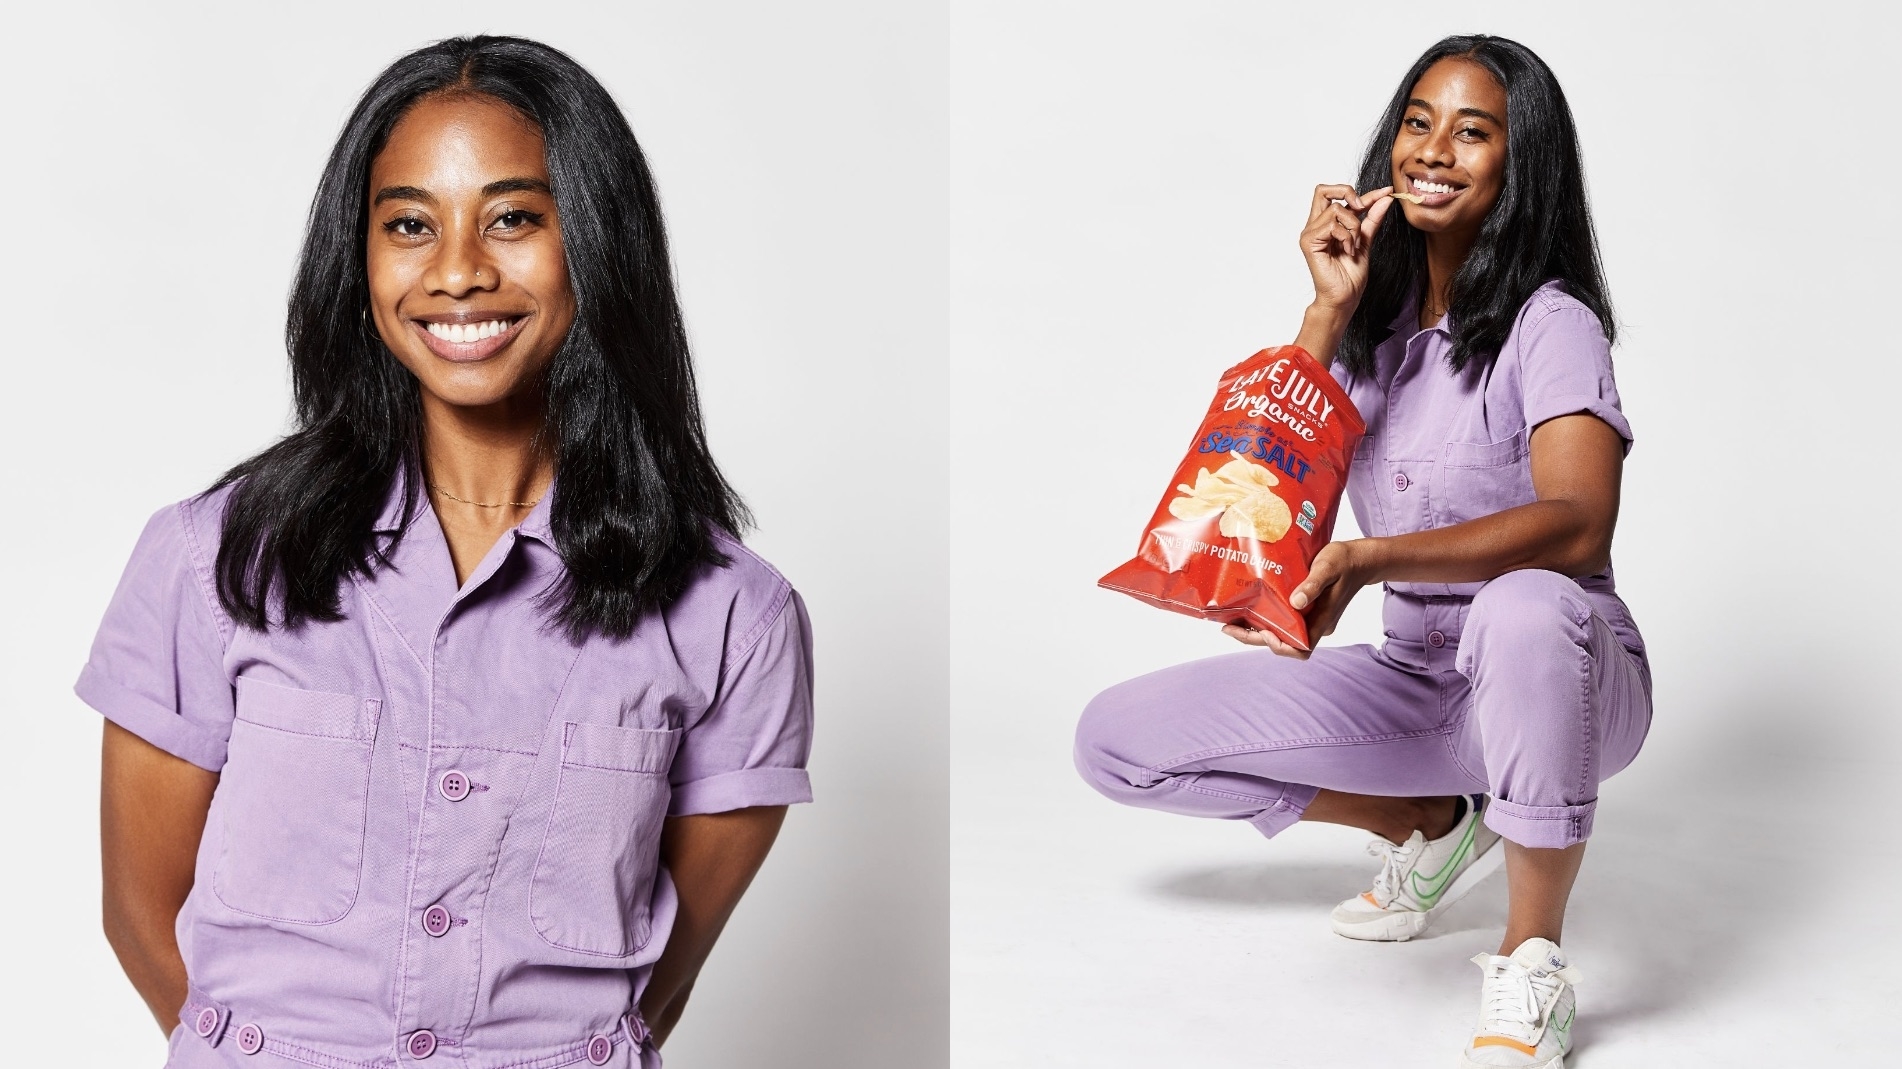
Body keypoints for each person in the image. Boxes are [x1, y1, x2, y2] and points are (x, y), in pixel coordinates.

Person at [78, 36, 813, 1069]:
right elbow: (141, 914)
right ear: (361, 257)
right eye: (410, 225)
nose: (459, 271)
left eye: (514, 218)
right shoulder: (215, 560)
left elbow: (660, 980)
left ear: (597, 243)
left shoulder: (735, 615)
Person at [1075, 35, 1646, 1069]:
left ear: (1524, 167)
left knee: (1523, 606)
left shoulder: (1550, 324)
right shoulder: (1377, 335)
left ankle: (1532, 962)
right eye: (1418, 122)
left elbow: (1578, 522)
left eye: (1474, 132)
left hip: (1567, 673)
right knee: (1114, 743)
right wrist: (1326, 313)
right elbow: (1253, 507)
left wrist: (1370, 558)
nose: (1434, 149)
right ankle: (1429, 822)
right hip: (1419, 681)